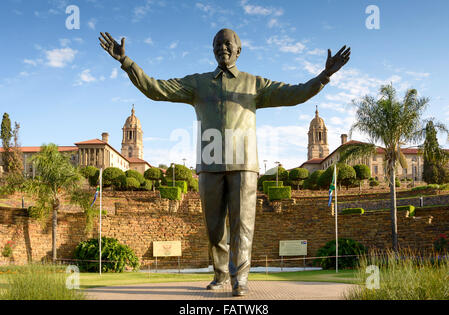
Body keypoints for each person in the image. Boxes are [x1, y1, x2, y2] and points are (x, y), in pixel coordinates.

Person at [99, 28, 350, 296]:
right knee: (214, 227)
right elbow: (156, 88)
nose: (223, 48)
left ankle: (239, 280)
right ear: (213, 49)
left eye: (229, 44)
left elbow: (295, 93)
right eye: (218, 44)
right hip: (210, 164)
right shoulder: (198, 83)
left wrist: (324, 76)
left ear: (239, 51)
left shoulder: (254, 84)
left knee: (243, 226)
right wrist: (127, 63)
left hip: (244, 164)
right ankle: (220, 275)